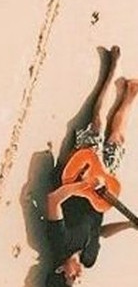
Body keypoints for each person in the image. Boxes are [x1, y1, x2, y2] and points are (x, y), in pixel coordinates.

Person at [46, 46, 138, 286]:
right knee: (117, 138)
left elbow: (53, 200)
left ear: (59, 271)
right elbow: (101, 234)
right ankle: (130, 94)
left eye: (72, 278)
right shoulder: (88, 258)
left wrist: (83, 184)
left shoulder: (60, 243)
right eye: (80, 282)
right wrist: (129, 224)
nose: (79, 276)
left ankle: (113, 69)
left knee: (98, 122)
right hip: (103, 188)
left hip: (79, 172)